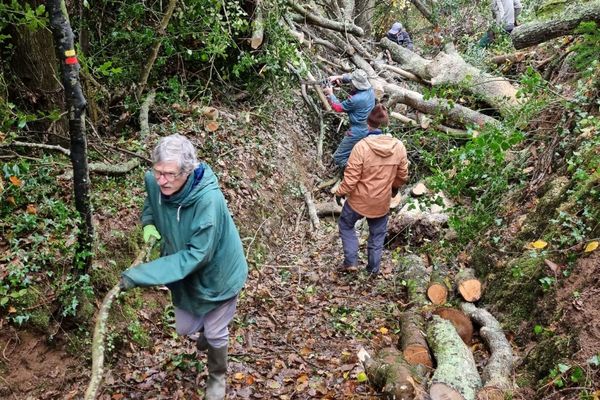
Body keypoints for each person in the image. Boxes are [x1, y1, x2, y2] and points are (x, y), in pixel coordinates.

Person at [119, 134, 248, 400]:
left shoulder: (207, 201)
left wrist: (139, 275)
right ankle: (205, 332)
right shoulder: (156, 182)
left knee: (215, 331)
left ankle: (217, 377)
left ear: (187, 172)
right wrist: (149, 224)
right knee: (184, 327)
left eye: (169, 174)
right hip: (183, 271)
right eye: (158, 172)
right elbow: (151, 203)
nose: (161, 180)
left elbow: (196, 256)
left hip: (218, 273)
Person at [335, 104, 409, 275]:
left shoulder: (361, 147)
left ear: (368, 124)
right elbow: (403, 175)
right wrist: (394, 188)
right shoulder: (398, 147)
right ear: (386, 126)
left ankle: (351, 261)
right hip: (381, 202)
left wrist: (340, 192)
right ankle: (373, 270)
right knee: (377, 237)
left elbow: (351, 178)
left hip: (358, 201)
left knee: (346, 224)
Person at [323, 69, 375, 168]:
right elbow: (351, 78)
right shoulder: (370, 90)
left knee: (339, 158)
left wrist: (330, 93)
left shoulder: (357, 99)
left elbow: (338, 107)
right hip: (366, 127)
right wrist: (338, 77)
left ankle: (359, 172)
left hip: (357, 130)